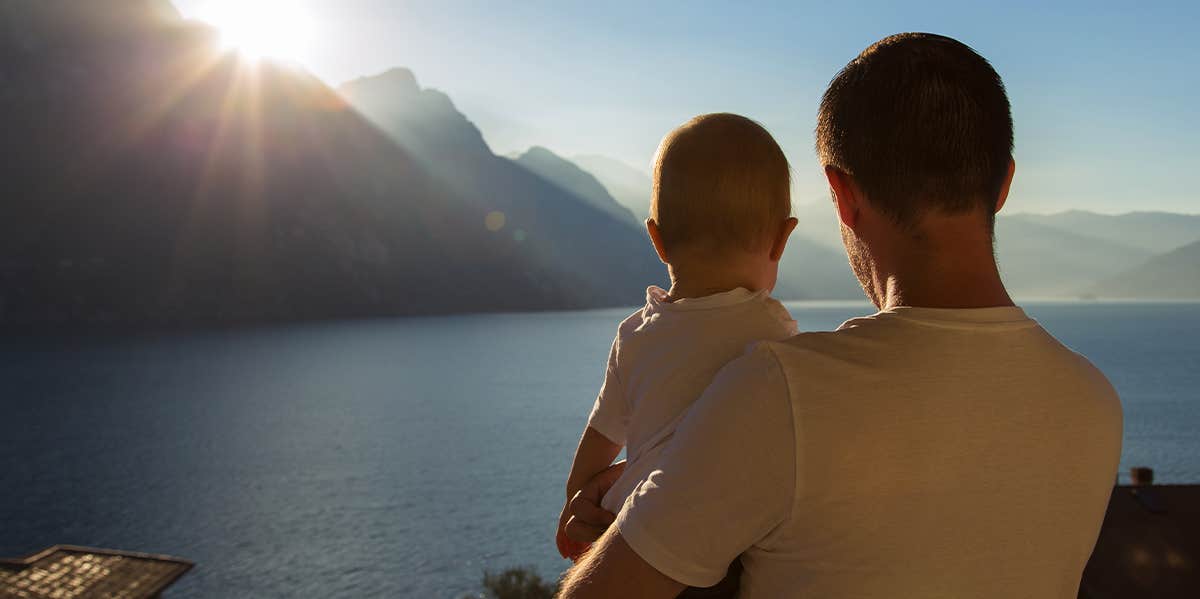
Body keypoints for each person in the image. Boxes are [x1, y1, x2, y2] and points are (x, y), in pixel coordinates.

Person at [557, 33, 1123, 599]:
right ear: (1003, 184)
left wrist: (618, 522)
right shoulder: (1095, 405)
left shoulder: (778, 393)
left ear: (842, 195)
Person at [554, 113, 800, 595]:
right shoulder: (772, 330)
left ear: (657, 239)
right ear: (782, 238)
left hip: (630, 533)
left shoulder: (637, 336)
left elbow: (598, 443)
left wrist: (576, 509)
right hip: (722, 555)